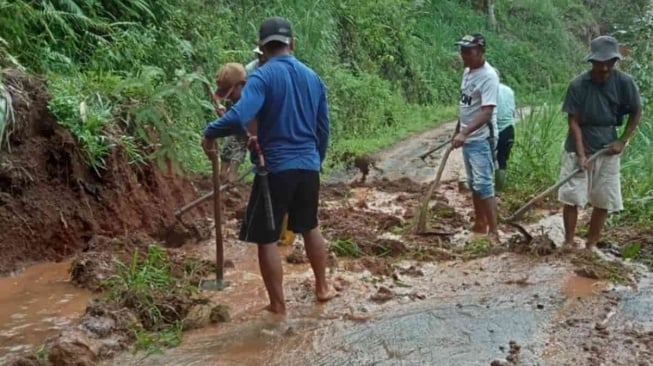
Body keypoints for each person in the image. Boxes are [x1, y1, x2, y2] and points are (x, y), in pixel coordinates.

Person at [202, 16, 335, 314]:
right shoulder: (313, 77)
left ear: (262, 49)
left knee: (267, 238)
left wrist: (210, 132)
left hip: (275, 169)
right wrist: (316, 160)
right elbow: (323, 129)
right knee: (310, 226)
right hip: (308, 165)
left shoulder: (261, 77)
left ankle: (278, 304)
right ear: (292, 44)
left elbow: (238, 117)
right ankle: (323, 287)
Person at [558, 35, 642, 250]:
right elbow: (573, 121)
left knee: (604, 198)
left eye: (609, 63)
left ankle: (591, 244)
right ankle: (568, 241)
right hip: (578, 145)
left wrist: (622, 141)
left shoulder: (624, 83)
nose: (604, 68)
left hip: (608, 147)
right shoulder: (578, 85)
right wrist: (581, 154)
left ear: (615, 62)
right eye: (600, 63)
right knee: (572, 196)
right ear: (592, 62)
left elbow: (636, 112)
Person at [452, 33, 500, 242]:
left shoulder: (489, 76)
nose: (464, 55)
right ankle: (480, 223)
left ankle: (494, 232)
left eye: (468, 52)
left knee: (484, 183)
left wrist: (464, 132)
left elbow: (486, 112)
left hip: (482, 139)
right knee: (473, 183)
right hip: (469, 137)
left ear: (481, 52)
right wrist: (458, 129)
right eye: (462, 51)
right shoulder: (467, 72)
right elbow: (467, 106)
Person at [212, 64, 250, 182]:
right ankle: (222, 176)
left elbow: (242, 126)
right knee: (227, 151)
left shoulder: (249, 100)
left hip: (246, 133)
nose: (228, 98)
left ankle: (231, 178)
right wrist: (222, 112)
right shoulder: (232, 98)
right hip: (234, 131)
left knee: (238, 154)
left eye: (230, 94)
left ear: (241, 86)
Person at [495, 71, 516, 191]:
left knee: (486, 159)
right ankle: (498, 190)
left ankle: (484, 190)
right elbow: (513, 111)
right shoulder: (509, 90)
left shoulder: (488, 90)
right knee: (502, 160)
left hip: (492, 130)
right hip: (508, 129)